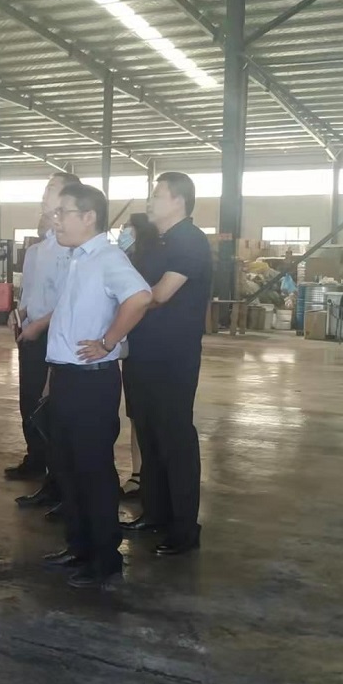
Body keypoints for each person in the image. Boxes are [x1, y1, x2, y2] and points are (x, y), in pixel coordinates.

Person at [42, 183, 151, 589]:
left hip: (92, 382)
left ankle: (105, 561)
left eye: (63, 212)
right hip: (68, 378)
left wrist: (108, 341)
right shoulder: (78, 258)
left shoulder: (107, 257)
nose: (56, 220)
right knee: (68, 469)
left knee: (93, 471)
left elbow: (140, 298)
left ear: (88, 217)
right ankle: (79, 547)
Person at [122, 172, 212, 556]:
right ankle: (155, 513)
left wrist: (123, 307)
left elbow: (158, 295)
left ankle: (184, 527)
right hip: (141, 351)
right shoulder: (153, 242)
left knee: (174, 437)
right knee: (148, 433)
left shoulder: (189, 241)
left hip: (173, 356)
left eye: (157, 195)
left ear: (179, 200)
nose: (150, 201)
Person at [6, 172, 80, 514]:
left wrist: (39, 325)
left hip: (54, 334)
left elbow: (69, 300)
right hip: (31, 332)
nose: (44, 194)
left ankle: (60, 485)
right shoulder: (39, 249)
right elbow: (31, 293)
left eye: (51, 188)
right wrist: (19, 314)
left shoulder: (71, 250)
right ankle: (39, 463)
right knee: (30, 403)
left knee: (52, 409)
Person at [118, 213, 161, 498]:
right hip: (132, 347)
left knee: (148, 415)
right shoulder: (125, 262)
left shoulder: (151, 263)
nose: (123, 233)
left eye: (127, 228)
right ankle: (137, 473)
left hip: (151, 346)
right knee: (135, 414)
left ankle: (150, 476)